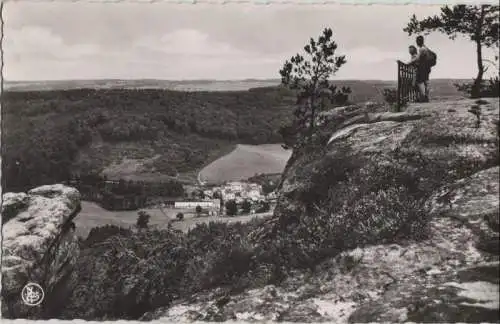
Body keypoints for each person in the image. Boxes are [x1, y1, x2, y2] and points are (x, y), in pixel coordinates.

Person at [413, 35, 432, 102]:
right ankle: (426, 97)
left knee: (419, 82)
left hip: (422, 68)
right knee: (426, 82)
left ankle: (423, 97)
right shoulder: (426, 48)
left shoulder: (422, 49)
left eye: (417, 41)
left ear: (418, 41)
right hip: (427, 67)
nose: (416, 42)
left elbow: (418, 59)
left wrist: (410, 62)